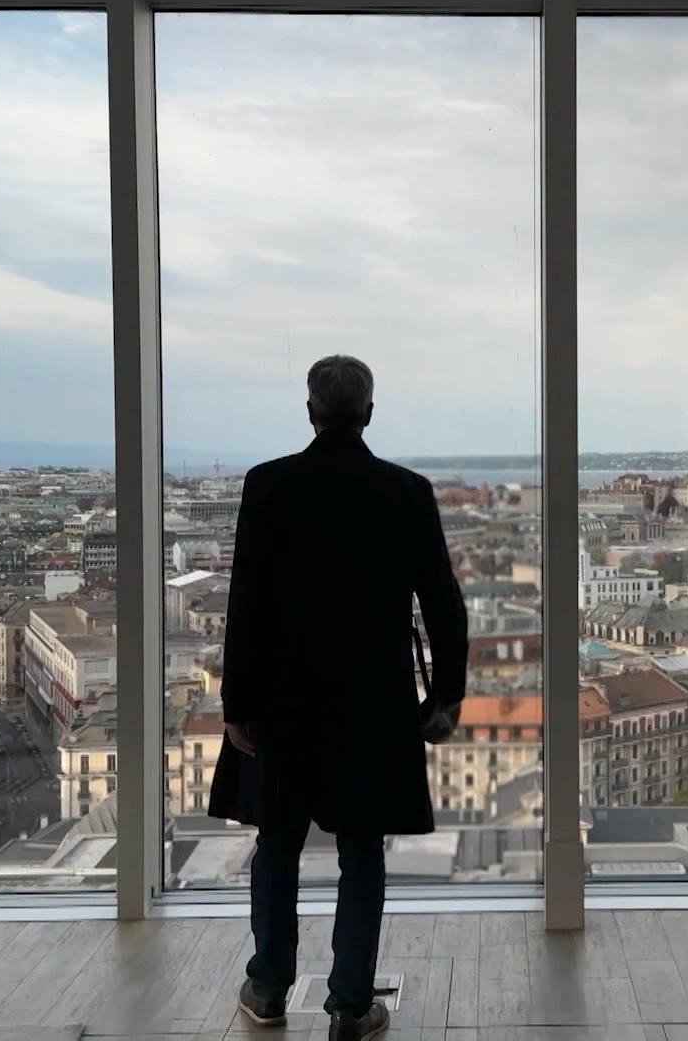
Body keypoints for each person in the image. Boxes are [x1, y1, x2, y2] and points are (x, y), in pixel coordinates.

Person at [209, 354, 467, 1041]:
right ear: (369, 413)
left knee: (277, 841)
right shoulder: (405, 491)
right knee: (362, 850)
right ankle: (351, 1006)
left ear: (310, 412)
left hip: (283, 698)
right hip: (372, 700)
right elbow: (443, 603)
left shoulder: (268, 486)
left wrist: (236, 704)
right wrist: (446, 696)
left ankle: (267, 987)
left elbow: (246, 603)